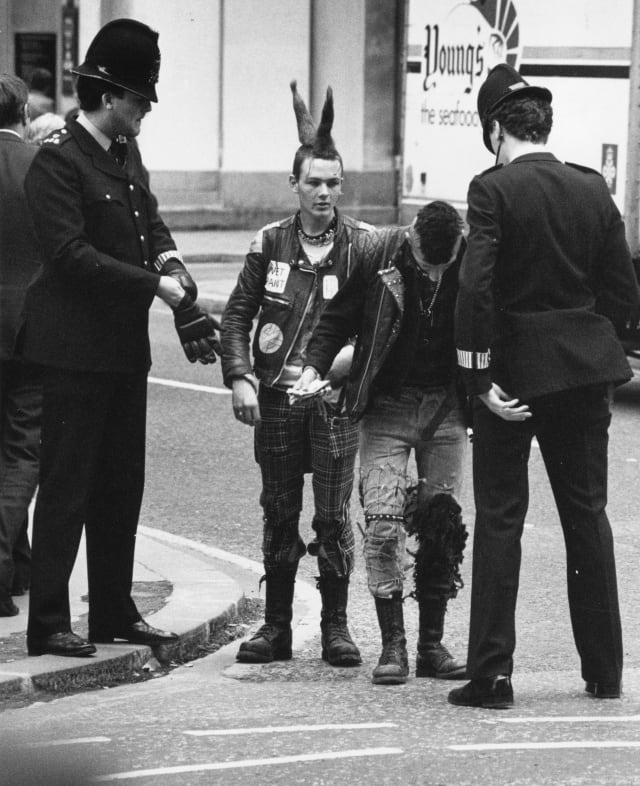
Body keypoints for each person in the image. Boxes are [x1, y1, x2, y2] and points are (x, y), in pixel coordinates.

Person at [22, 19, 220, 657]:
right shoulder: (58, 162)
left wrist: (174, 269)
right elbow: (70, 255)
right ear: (109, 97)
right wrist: (150, 287)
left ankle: (112, 609)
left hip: (120, 353)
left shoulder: (125, 157)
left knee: (119, 487)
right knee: (67, 487)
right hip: (73, 353)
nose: (145, 113)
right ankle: (50, 619)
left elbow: (150, 227)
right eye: (139, 101)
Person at [448, 63, 640, 708]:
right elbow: (621, 287)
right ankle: (605, 671)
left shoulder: (492, 189)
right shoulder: (592, 188)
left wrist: (476, 377)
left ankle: (493, 675)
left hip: (514, 379)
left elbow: (475, 288)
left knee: (502, 519)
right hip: (584, 375)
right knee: (587, 516)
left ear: (497, 128)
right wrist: (599, 345)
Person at [221, 81, 372, 668]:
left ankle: (336, 626)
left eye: (334, 182)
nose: (325, 192)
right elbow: (237, 316)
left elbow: (382, 327)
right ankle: (276, 626)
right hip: (278, 404)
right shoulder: (270, 244)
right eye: (314, 181)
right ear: (295, 185)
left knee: (333, 516)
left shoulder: (363, 246)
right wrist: (239, 376)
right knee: (279, 510)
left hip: (334, 404)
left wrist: (346, 365)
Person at [298, 201, 468, 685]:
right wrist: (314, 366)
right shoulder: (379, 250)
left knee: (442, 526)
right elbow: (337, 316)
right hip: (387, 407)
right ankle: (392, 646)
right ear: (411, 236)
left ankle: (432, 646)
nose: (434, 275)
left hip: (446, 408)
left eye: (444, 266)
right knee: (382, 525)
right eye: (425, 265)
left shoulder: (472, 255)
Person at [0, 74, 43, 616]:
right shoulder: (39, 165)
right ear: (24, 112)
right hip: (30, 329)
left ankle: (19, 565)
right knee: (22, 451)